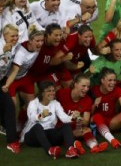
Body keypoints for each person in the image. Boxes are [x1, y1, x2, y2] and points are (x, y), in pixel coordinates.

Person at [20, 81, 82, 159]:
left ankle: (71, 150)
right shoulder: (33, 103)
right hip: (32, 137)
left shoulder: (55, 103)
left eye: (53, 90)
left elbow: (64, 118)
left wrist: (72, 117)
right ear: (42, 92)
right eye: (49, 91)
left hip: (48, 135)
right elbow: (32, 118)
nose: (52, 93)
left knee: (66, 126)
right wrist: (41, 115)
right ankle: (50, 150)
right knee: (38, 126)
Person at [90, 67, 121, 148]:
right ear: (102, 80)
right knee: (97, 116)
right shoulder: (93, 90)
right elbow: (89, 115)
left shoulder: (117, 90)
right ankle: (113, 140)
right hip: (98, 123)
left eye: (114, 80)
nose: (113, 83)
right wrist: (94, 105)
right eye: (110, 80)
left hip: (111, 121)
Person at [56, 74, 108, 154]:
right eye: (83, 86)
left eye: (88, 87)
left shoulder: (88, 100)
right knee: (68, 132)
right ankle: (77, 147)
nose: (86, 89)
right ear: (75, 84)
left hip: (75, 129)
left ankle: (94, 147)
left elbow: (86, 121)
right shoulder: (61, 93)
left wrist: (79, 118)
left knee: (87, 129)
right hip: (60, 129)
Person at [2, 26, 44, 112]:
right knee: (12, 107)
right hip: (11, 79)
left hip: (24, 77)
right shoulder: (20, 53)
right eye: (37, 41)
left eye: (42, 41)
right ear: (30, 41)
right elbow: (14, 72)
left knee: (32, 107)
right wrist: (7, 85)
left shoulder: (37, 47)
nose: (40, 43)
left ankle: (25, 123)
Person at [28, 23, 72, 89]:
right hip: (40, 74)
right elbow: (51, 62)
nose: (59, 38)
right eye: (56, 35)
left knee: (70, 85)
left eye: (60, 35)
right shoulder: (39, 43)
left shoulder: (60, 41)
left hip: (54, 68)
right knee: (57, 91)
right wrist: (64, 58)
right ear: (48, 35)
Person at [0, 24, 21, 153]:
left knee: (9, 106)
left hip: (1, 80)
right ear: (4, 36)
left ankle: (11, 139)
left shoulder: (13, 47)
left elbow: (13, 70)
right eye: (12, 36)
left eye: (16, 35)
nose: (15, 38)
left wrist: (6, 84)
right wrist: (3, 52)